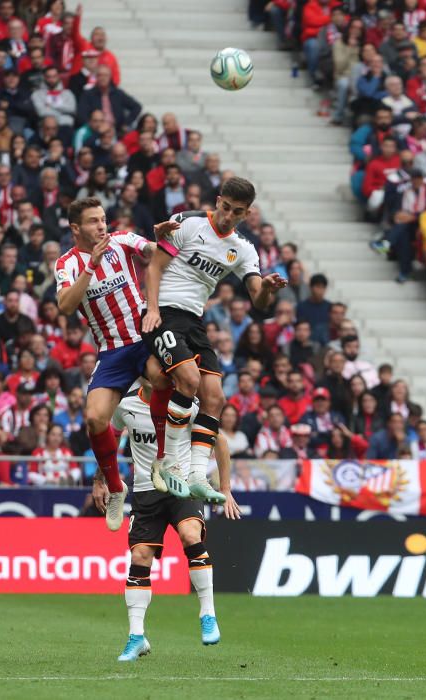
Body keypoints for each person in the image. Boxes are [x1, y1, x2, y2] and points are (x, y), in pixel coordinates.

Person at [141, 177, 286, 502]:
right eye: (225, 207)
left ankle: (196, 475)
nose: (228, 216)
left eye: (237, 212)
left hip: (193, 321)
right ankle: (169, 464)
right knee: (189, 380)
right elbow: (155, 268)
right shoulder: (190, 224)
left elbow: (258, 302)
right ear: (218, 201)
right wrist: (151, 309)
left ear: (246, 214)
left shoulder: (243, 249)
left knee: (215, 397)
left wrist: (268, 291)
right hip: (163, 312)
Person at [92, 379, 239, 660]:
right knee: (140, 557)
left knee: (190, 535)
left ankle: (208, 614)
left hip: (180, 485)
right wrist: (101, 479)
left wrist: (226, 488)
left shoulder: (184, 404)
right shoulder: (125, 405)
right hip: (146, 491)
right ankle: (136, 637)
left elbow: (218, 439)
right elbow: (109, 440)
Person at [55, 196, 172, 530]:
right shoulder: (68, 263)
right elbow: (65, 305)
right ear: (75, 228)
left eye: (103, 219)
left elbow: (152, 252)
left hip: (142, 338)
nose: (102, 225)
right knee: (94, 418)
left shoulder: (122, 240)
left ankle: (161, 460)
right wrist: (91, 265)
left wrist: (160, 240)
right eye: (93, 221)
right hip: (112, 352)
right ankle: (116, 487)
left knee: (164, 378)